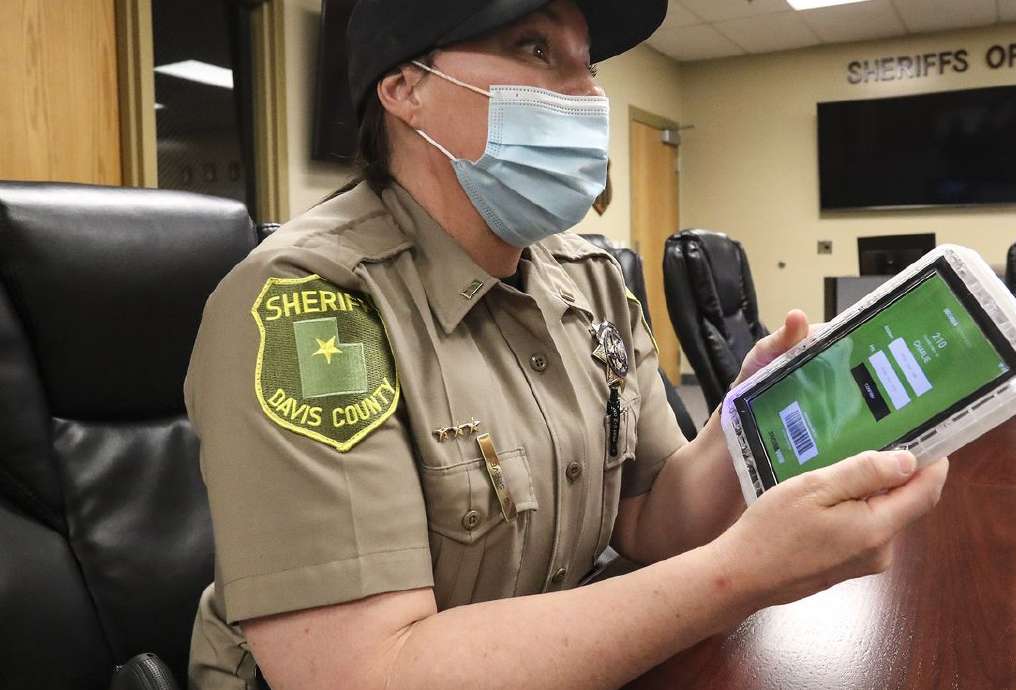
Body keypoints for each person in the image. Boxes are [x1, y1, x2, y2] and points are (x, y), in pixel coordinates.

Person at [184, 1, 950, 688]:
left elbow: (650, 517)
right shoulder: (314, 307)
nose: (588, 97)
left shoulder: (589, 278)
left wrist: (738, 420)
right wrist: (741, 575)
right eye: (535, 48)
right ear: (404, 89)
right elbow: (366, 671)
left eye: (590, 63)